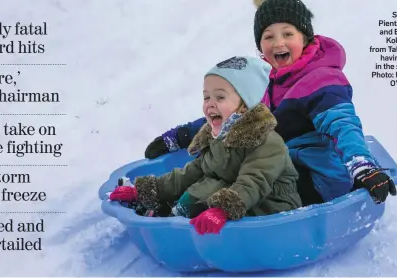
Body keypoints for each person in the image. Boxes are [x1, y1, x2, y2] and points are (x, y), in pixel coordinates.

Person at [143, 0, 396, 206]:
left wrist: (362, 166)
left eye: (288, 33)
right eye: (269, 36)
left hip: (317, 177)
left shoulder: (322, 79)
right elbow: (231, 118)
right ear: (260, 46)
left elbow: (342, 123)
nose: (278, 43)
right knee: (219, 164)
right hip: (280, 166)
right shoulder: (268, 82)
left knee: (235, 182)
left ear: (305, 38)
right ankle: (171, 200)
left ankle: (190, 209)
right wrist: (180, 135)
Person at [110, 56, 302, 235]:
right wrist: (150, 190)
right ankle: (169, 211)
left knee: (212, 189)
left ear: (245, 106)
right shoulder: (218, 136)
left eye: (219, 97)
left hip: (272, 207)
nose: (210, 104)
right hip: (236, 197)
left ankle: (179, 217)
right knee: (203, 183)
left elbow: (254, 181)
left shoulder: (267, 141)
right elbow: (192, 172)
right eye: (206, 97)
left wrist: (222, 209)